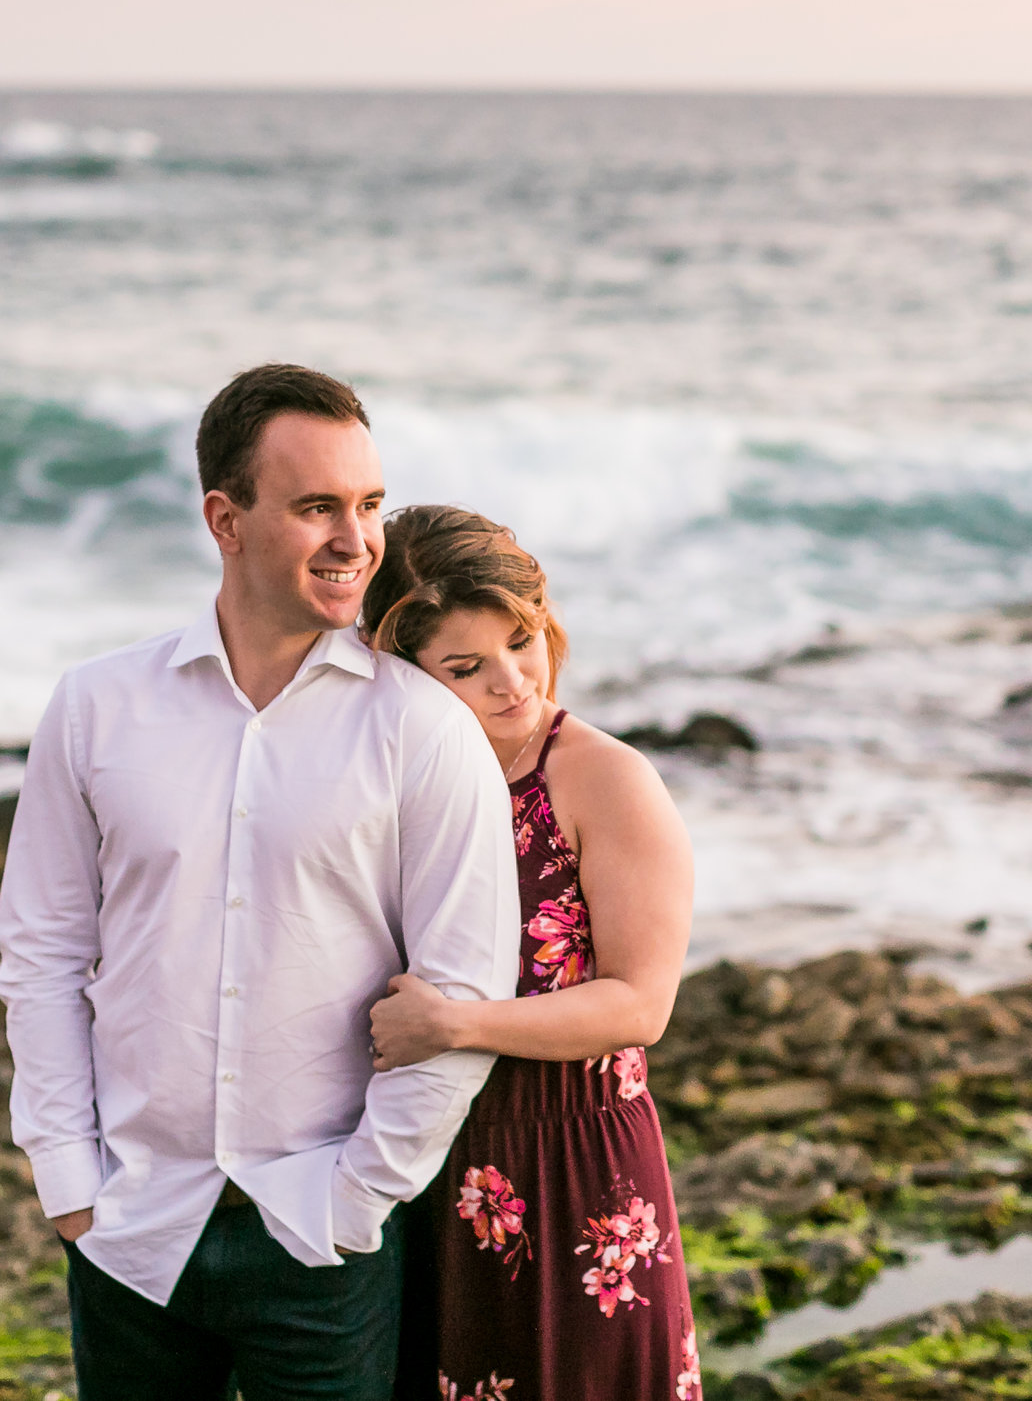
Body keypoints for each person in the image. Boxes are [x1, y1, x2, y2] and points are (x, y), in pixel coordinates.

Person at [0, 366, 519, 1401]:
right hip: (130, 1231)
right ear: (224, 519)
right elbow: (42, 952)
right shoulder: (95, 707)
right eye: (315, 505)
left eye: (367, 505)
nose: (355, 539)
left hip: (321, 1242)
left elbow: (461, 987)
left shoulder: (421, 728)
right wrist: (69, 1179)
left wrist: (357, 1199)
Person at [359, 506, 701, 1401]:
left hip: (572, 1170)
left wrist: (456, 1025)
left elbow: (641, 1004)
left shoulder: (603, 778)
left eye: (523, 642)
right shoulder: (388, 784)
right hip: (416, 1169)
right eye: (465, 668)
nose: (515, 683)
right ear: (401, 676)